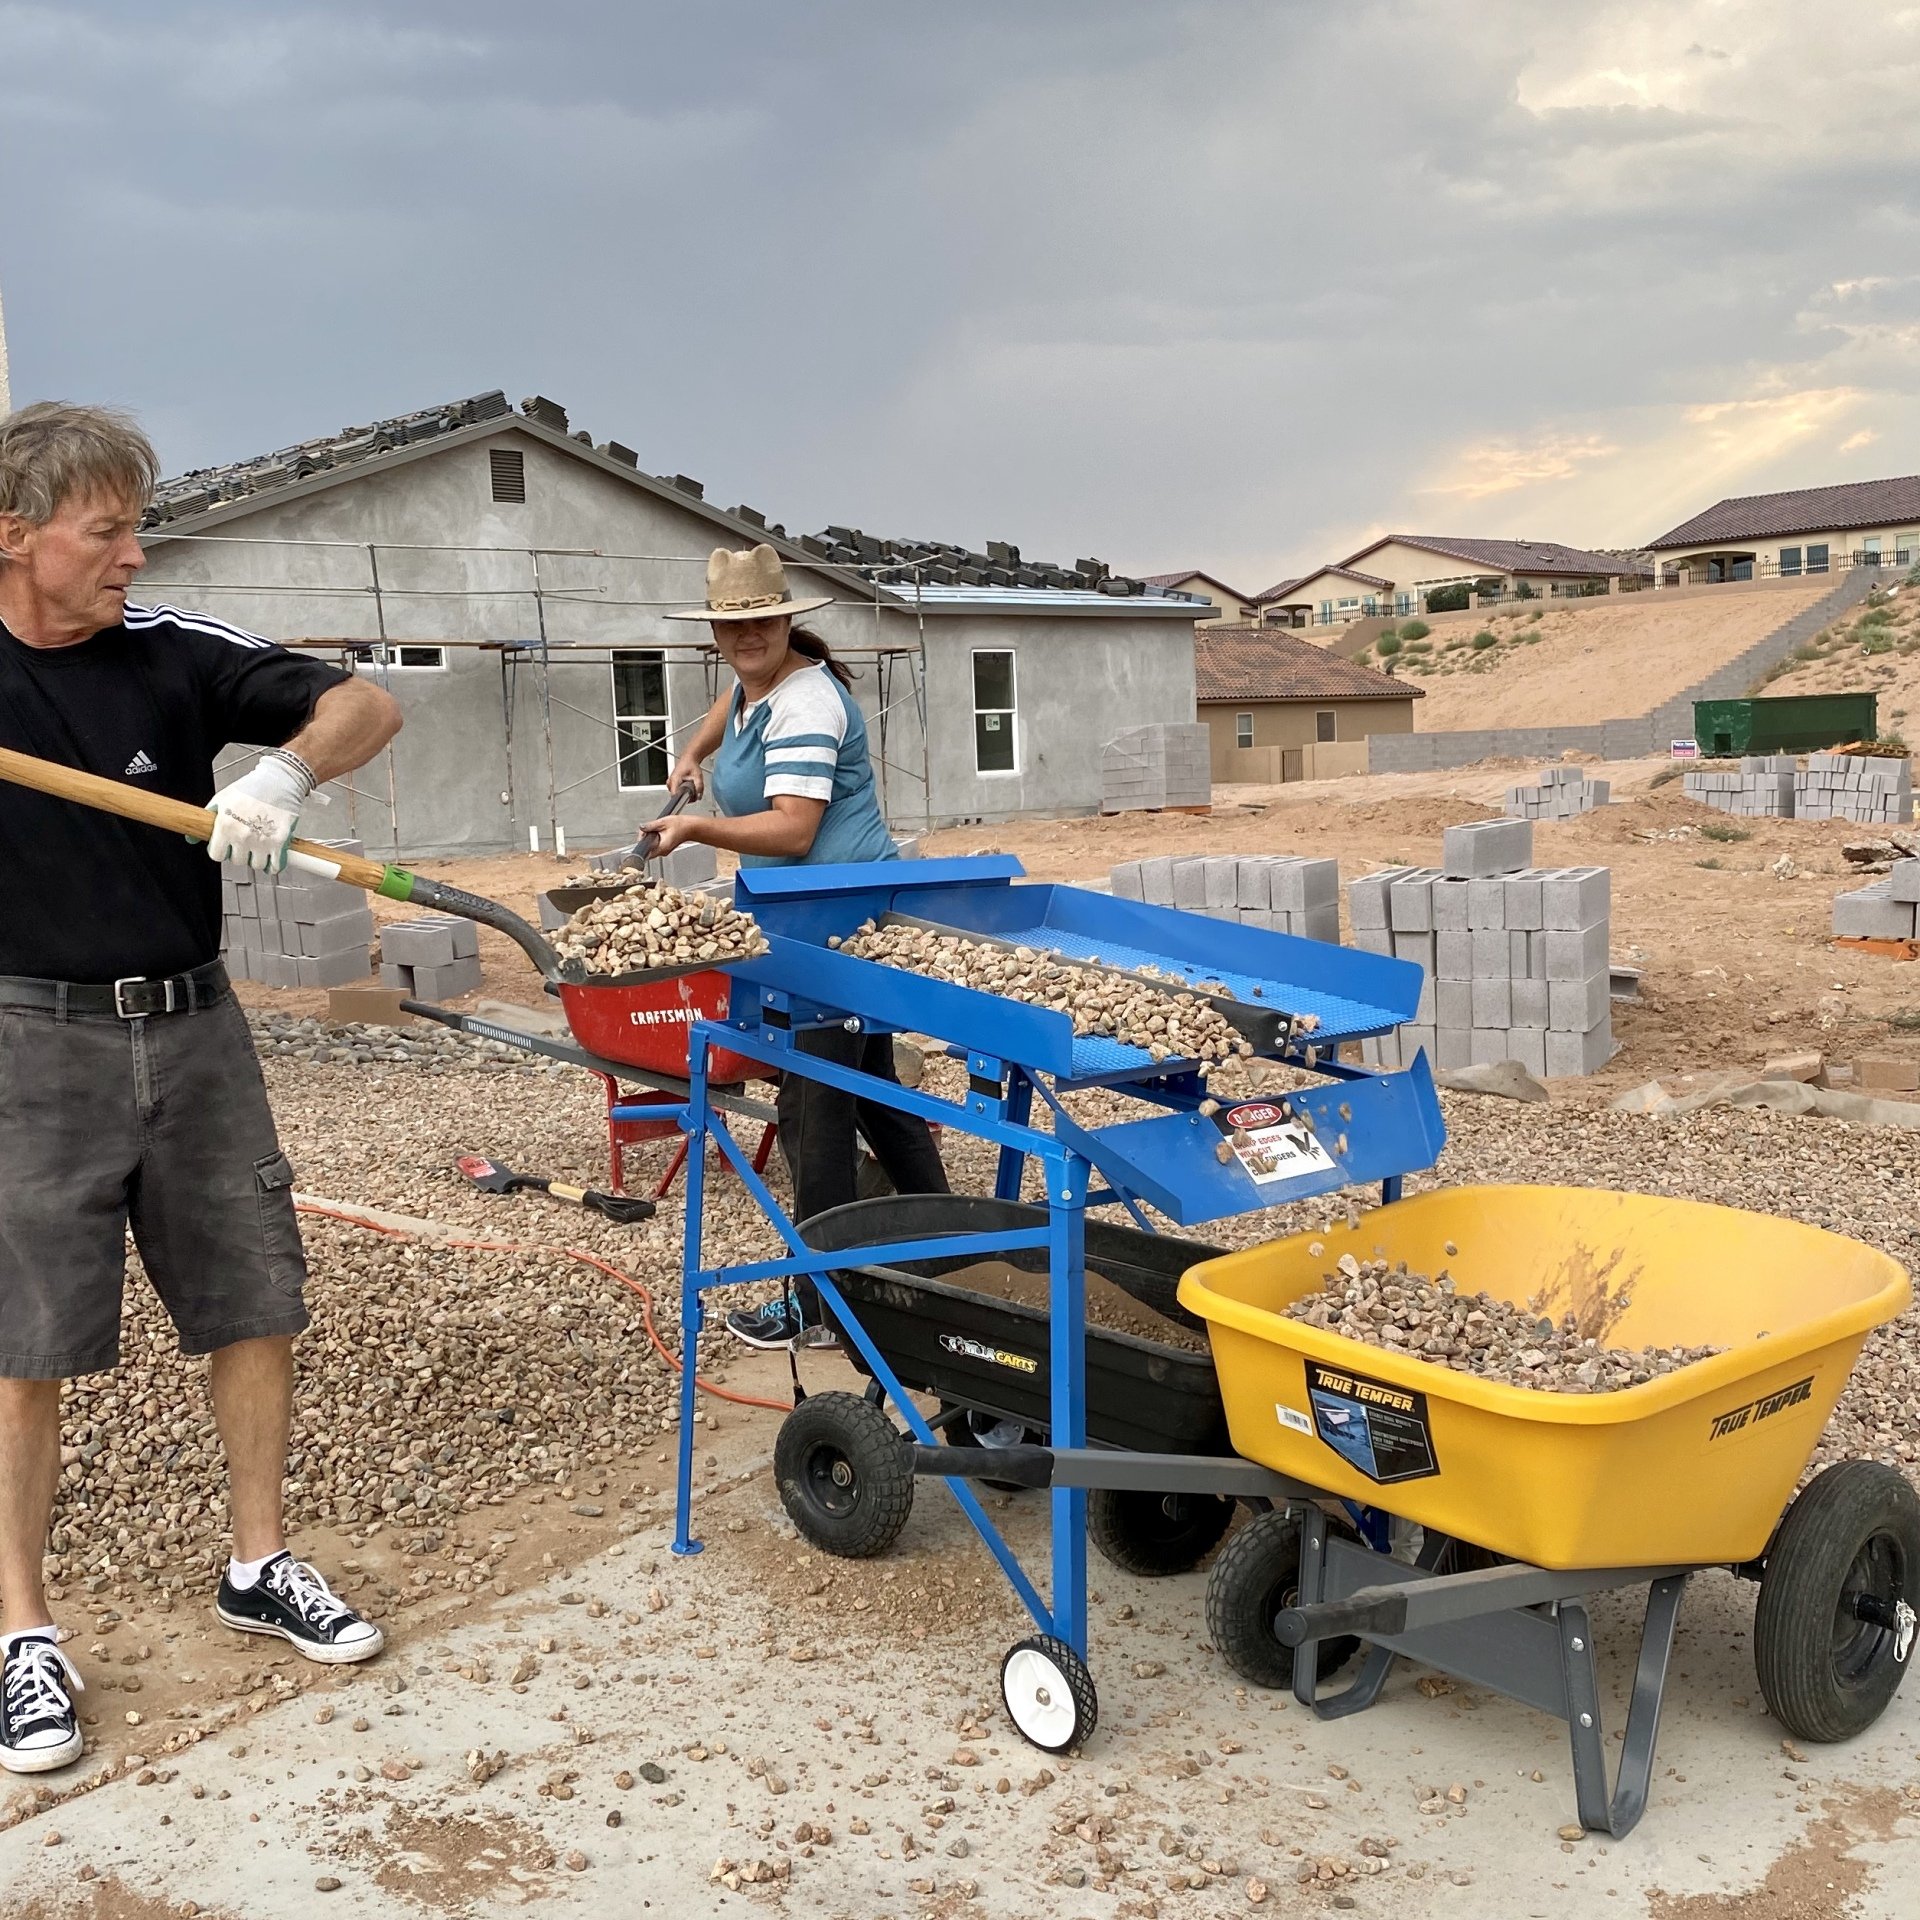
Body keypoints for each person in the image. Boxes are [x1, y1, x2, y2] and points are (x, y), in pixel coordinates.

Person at [0, 403, 402, 1776]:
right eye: (104, 530)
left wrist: (286, 772)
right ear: (15, 536)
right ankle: (22, 1636)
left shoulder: (172, 657)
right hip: (28, 1042)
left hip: (195, 1029)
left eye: (134, 527)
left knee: (252, 1299)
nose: (132, 555)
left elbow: (369, 699)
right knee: (27, 1338)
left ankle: (259, 1561)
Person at [654, 543, 949, 1349]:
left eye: (761, 620)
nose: (747, 634)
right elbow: (729, 710)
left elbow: (793, 827)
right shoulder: (759, 687)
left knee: (814, 1111)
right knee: (880, 1098)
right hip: (807, 923)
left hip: (840, 925)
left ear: (787, 620)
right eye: (732, 623)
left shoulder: (808, 703)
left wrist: (694, 823)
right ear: (717, 630)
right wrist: (692, 757)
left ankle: (818, 1309)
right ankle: (956, 1263)